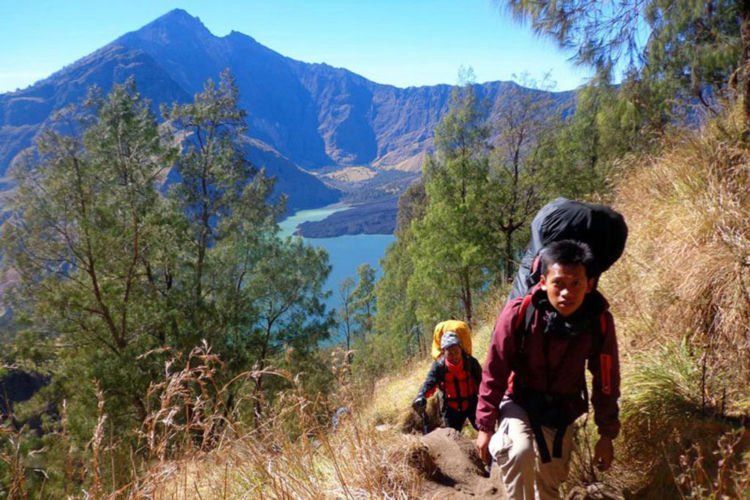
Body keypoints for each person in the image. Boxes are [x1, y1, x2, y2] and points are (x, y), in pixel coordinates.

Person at [475, 240, 620, 499]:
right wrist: (485, 426)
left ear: (589, 284)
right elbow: (495, 370)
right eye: (558, 283)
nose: (566, 293)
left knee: (549, 484)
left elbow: (606, 380)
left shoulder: (598, 322)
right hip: (519, 400)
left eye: (575, 283)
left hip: (561, 411)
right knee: (519, 452)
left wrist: (606, 434)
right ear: (543, 282)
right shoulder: (520, 314)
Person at [413, 331, 483, 432]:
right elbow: (429, 383)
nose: (454, 356)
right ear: (443, 352)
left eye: (456, 352)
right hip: (451, 408)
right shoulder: (439, 367)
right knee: (452, 438)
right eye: (450, 353)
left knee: (484, 430)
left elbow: (482, 383)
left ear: (460, 348)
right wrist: (421, 395)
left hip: (471, 403)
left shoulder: (470, 362)